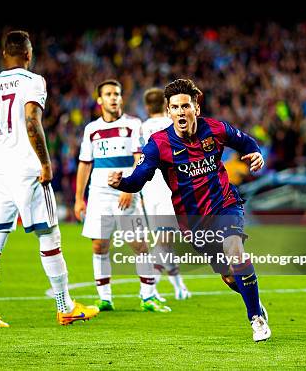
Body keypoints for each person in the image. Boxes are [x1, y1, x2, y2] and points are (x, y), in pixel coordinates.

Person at [108, 79, 271, 342]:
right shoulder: (158, 144)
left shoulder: (215, 129)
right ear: (168, 110)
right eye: (175, 107)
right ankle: (255, 302)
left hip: (225, 204)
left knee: (234, 249)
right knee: (229, 277)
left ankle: (256, 318)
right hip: (193, 222)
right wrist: (122, 183)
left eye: (185, 106)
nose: (181, 112)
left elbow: (247, 143)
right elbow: (139, 178)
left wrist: (256, 153)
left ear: (196, 106)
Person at [0, 30, 99, 328]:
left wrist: (2, 148)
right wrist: (44, 161)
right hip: (28, 167)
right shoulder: (33, 81)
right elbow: (31, 121)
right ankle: (65, 306)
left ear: (5, 55)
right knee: (49, 236)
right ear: (28, 54)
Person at [74, 80, 169, 313]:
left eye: (116, 94)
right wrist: (79, 197)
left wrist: (129, 187)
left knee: (138, 244)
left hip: (125, 192)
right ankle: (105, 298)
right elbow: (85, 164)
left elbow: (141, 158)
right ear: (100, 100)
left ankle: (148, 297)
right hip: (98, 193)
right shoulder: (91, 129)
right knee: (99, 245)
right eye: (108, 94)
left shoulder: (133, 124)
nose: (113, 98)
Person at [140, 88, 191, 301]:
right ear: (166, 105)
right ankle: (147, 290)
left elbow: (138, 159)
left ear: (146, 107)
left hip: (149, 190)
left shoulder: (141, 128)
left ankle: (179, 286)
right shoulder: (173, 126)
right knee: (164, 241)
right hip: (168, 189)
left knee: (164, 241)